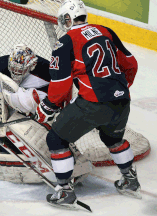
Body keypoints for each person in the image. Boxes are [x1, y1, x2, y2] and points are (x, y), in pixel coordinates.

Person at [35, 0, 140, 209]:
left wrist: (47, 106)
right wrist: (119, 88)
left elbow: (61, 83)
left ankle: (64, 190)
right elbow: (131, 63)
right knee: (112, 137)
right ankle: (129, 179)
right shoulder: (106, 31)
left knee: (56, 139)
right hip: (122, 101)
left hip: (93, 104)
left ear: (67, 19)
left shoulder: (65, 41)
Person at [0, 44, 92, 184]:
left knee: (47, 126)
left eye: (20, 70)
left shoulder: (46, 70)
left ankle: (61, 156)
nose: (15, 73)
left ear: (31, 65)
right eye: (13, 68)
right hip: (3, 106)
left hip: (32, 111)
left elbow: (59, 93)